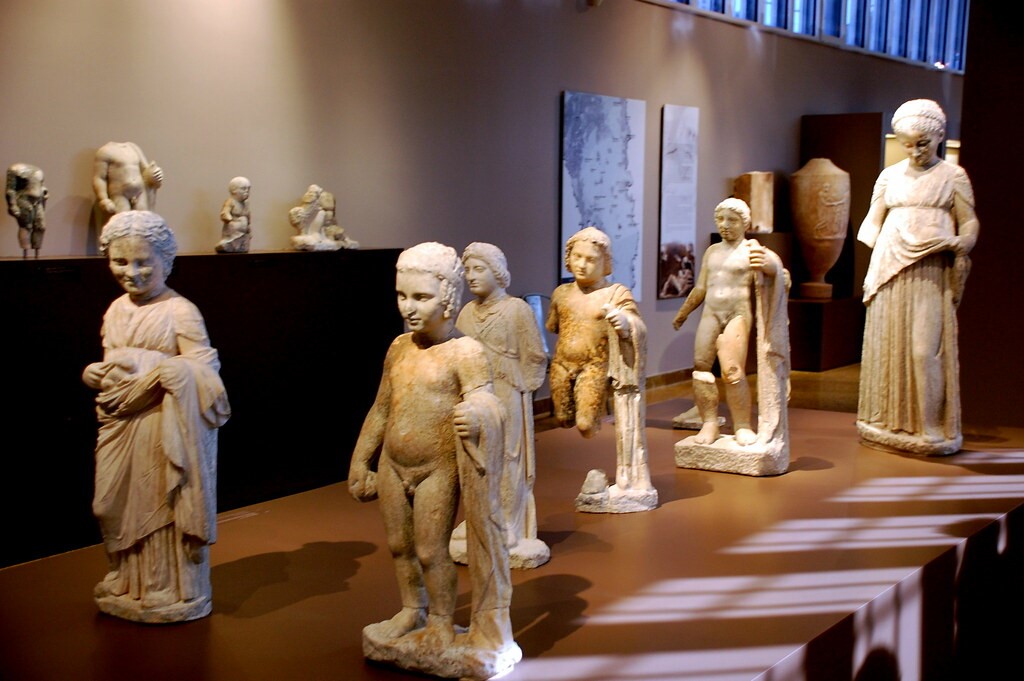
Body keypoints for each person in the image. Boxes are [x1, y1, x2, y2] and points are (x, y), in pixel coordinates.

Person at [348, 242, 519, 677]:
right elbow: (381, 408)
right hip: (393, 464)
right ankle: (412, 610)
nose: (408, 307)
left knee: (430, 550)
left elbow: (487, 401)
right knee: (400, 546)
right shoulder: (398, 348)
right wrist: (360, 460)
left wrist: (477, 414)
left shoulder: (465, 352)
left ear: (447, 298)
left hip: (436, 469)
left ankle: (441, 622)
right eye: (402, 295)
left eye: (421, 297)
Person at [82, 211, 230, 623]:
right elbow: (112, 366)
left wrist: (169, 370)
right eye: (120, 261)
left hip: (162, 422)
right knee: (108, 503)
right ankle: (124, 577)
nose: (131, 272)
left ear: (166, 260)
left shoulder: (180, 310)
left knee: (160, 502)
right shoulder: (115, 310)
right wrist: (92, 373)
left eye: (143, 262)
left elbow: (205, 369)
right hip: (120, 420)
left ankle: (165, 584)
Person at [857, 99, 979, 455]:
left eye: (922, 143)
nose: (914, 151)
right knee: (886, 345)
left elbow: (969, 221)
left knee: (925, 350)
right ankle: (883, 421)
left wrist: (963, 242)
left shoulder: (952, 176)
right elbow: (871, 223)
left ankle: (929, 425)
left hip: (930, 268)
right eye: (907, 144)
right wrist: (876, 255)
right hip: (889, 267)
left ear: (939, 136)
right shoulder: (889, 176)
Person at [455, 242, 548, 567]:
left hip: (507, 392)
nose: (471, 276)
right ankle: (478, 518)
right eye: (467, 270)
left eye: (478, 269)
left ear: (497, 272)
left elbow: (535, 355)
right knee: (475, 457)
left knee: (508, 459)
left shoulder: (516, 310)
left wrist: (523, 388)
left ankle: (508, 522)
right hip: (474, 394)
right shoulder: (466, 313)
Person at [548, 227, 655, 506]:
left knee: (585, 425)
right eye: (577, 257)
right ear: (568, 258)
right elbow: (554, 326)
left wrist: (624, 323)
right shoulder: (561, 294)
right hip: (561, 364)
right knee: (563, 418)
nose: (582, 264)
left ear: (605, 263)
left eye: (591, 259)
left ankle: (627, 472)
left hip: (594, 366)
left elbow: (637, 323)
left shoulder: (614, 294)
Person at [672, 198, 780, 446]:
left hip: (737, 314)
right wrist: (683, 312)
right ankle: (709, 423)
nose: (725, 225)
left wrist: (774, 270)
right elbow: (701, 288)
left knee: (732, 371)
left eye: (732, 220)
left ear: (745, 223)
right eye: (720, 219)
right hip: (711, 313)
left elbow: (777, 276)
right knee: (701, 368)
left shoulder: (752, 251)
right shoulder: (712, 252)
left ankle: (742, 425)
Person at [92, 141, 163, 216]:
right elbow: (99, 178)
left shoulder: (133, 148)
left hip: (139, 192)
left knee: (143, 219)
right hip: (120, 194)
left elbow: (146, 169)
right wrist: (104, 199)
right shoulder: (105, 151)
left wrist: (155, 174)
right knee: (123, 220)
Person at [5, 162, 47, 258]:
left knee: (41, 226)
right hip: (24, 199)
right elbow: (10, 190)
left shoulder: (38, 170)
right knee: (26, 226)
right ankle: (26, 253)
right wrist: (12, 205)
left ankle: (37, 252)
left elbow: (41, 186)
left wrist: (44, 192)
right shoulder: (14, 169)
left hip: (38, 201)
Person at [215, 176, 252, 253]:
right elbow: (225, 213)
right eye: (243, 188)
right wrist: (229, 218)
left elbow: (248, 215)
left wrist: (248, 226)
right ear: (234, 190)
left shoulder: (246, 203)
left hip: (243, 231)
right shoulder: (231, 201)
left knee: (243, 243)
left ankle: (241, 246)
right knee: (229, 244)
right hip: (233, 230)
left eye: (248, 189)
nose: (247, 191)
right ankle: (227, 245)